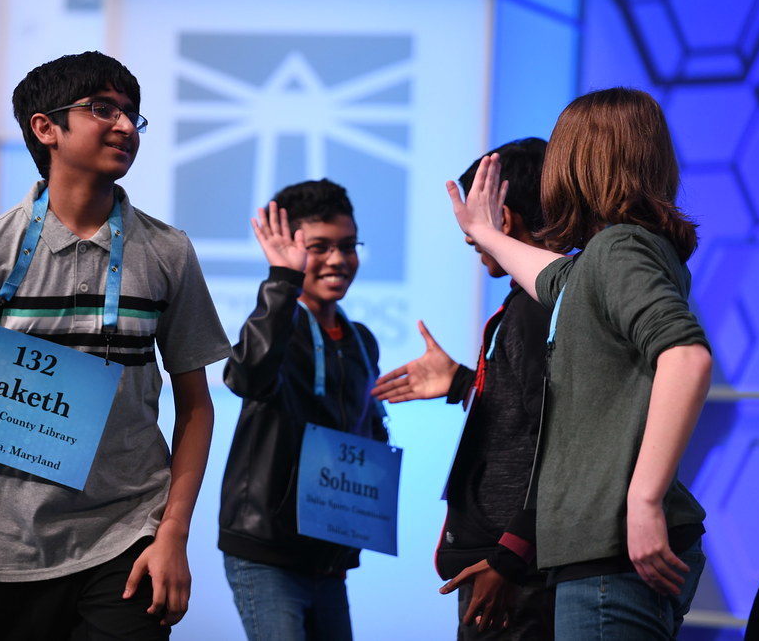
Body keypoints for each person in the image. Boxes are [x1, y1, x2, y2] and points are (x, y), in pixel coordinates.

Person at [0, 51, 231, 641]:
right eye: (103, 109)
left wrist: (172, 531)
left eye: (132, 114)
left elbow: (196, 407)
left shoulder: (168, 253)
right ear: (46, 128)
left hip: (127, 538)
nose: (125, 126)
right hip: (2, 551)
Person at [447, 87, 712, 641]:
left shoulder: (619, 251)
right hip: (600, 557)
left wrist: (641, 499)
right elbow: (553, 279)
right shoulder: (603, 261)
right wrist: (486, 233)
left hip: (610, 558)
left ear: (578, 162)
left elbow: (685, 355)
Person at [373, 138, 555, 639]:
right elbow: (527, 419)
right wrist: (461, 383)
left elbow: (561, 442)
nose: (467, 234)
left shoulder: (538, 310)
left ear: (505, 215)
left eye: (473, 214)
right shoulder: (528, 305)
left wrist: (509, 559)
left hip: (514, 570)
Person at [218, 179, 389, 641]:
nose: (338, 259)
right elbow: (245, 377)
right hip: (265, 550)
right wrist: (282, 281)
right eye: (320, 247)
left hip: (328, 556)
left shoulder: (361, 341)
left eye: (348, 246)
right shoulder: (278, 328)